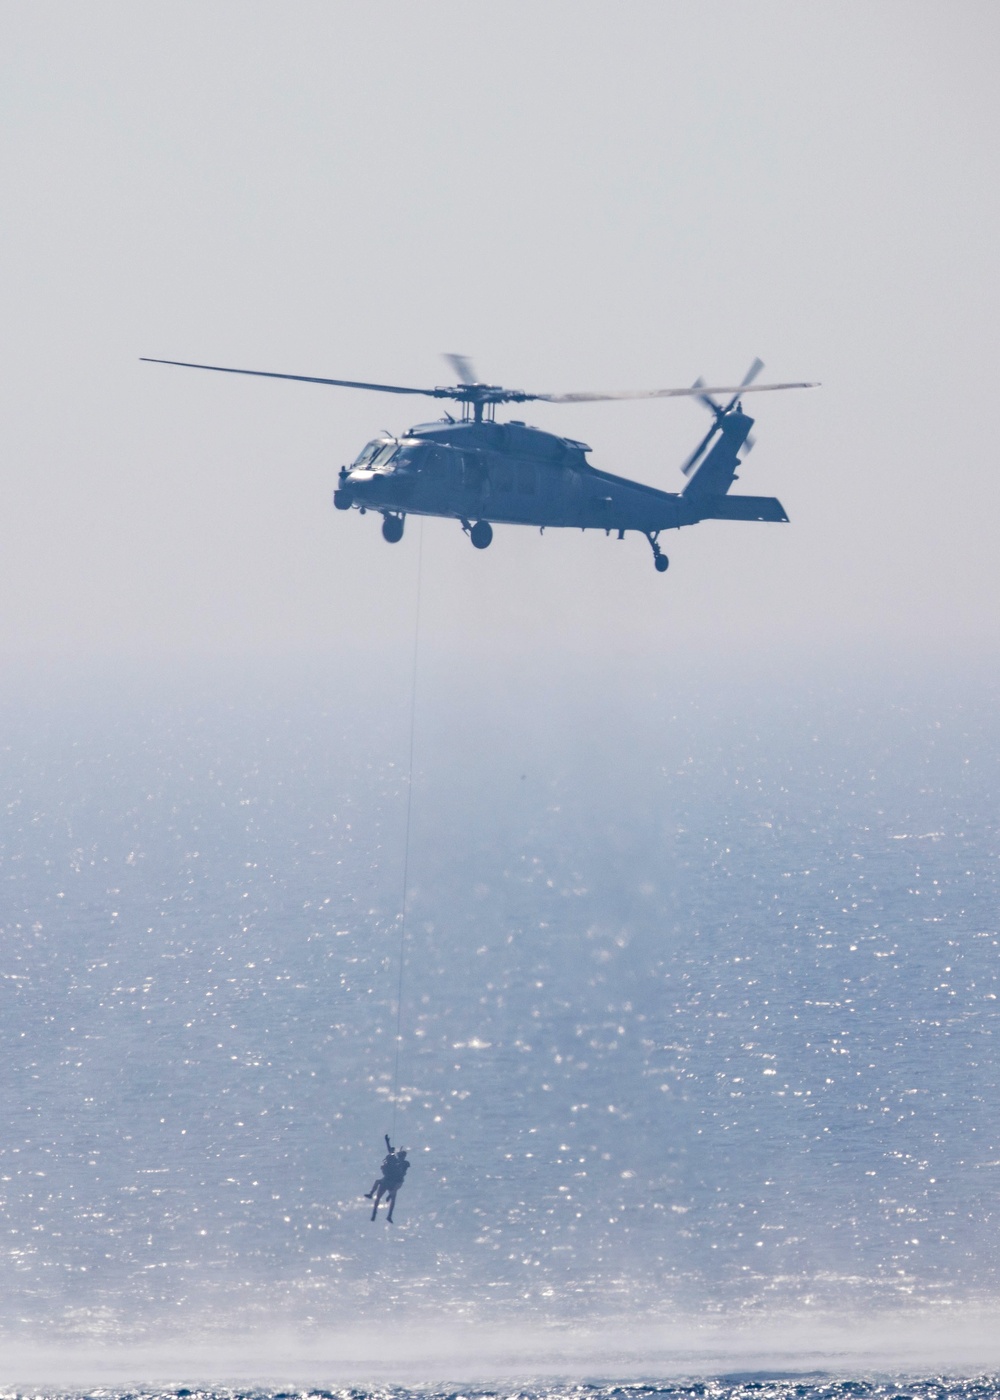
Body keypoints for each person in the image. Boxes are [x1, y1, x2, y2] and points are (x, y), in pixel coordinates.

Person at [364, 1134, 410, 1222]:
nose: (401, 1157)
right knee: (378, 1191)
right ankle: (374, 1211)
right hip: (387, 1180)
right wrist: (387, 1141)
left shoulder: (405, 1163)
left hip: (395, 1181)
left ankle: (389, 1215)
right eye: (401, 1155)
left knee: (393, 1195)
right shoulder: (395, 1160)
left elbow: (403, 1173)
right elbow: (390, 1152)